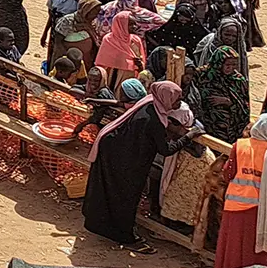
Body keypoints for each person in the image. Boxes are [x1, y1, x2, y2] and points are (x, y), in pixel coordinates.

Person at [84, 81, 197, 252]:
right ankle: (125, 236)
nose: (178, 103)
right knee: (125, 197)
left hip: (116, 150)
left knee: (112, 193)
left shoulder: (150, 103)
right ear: (165, 98)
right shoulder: (153, 119)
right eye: (176, 99)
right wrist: (189, 136)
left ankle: (109, 228)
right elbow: (166, 150)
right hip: (122, 159)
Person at [216, 113, 267, 268]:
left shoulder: (239, 145)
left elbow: (227, 173)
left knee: (231, 246)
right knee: (250, 249)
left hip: (233, 204)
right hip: (256, 208)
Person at [190, 45, 251, 142]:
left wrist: (228, 102)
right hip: (205, 121)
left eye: (234, 65)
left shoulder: (238, 80)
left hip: (230, 126)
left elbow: (245, 108)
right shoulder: (202, 75)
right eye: (227, 65)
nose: (231, 68)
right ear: (219, 62)